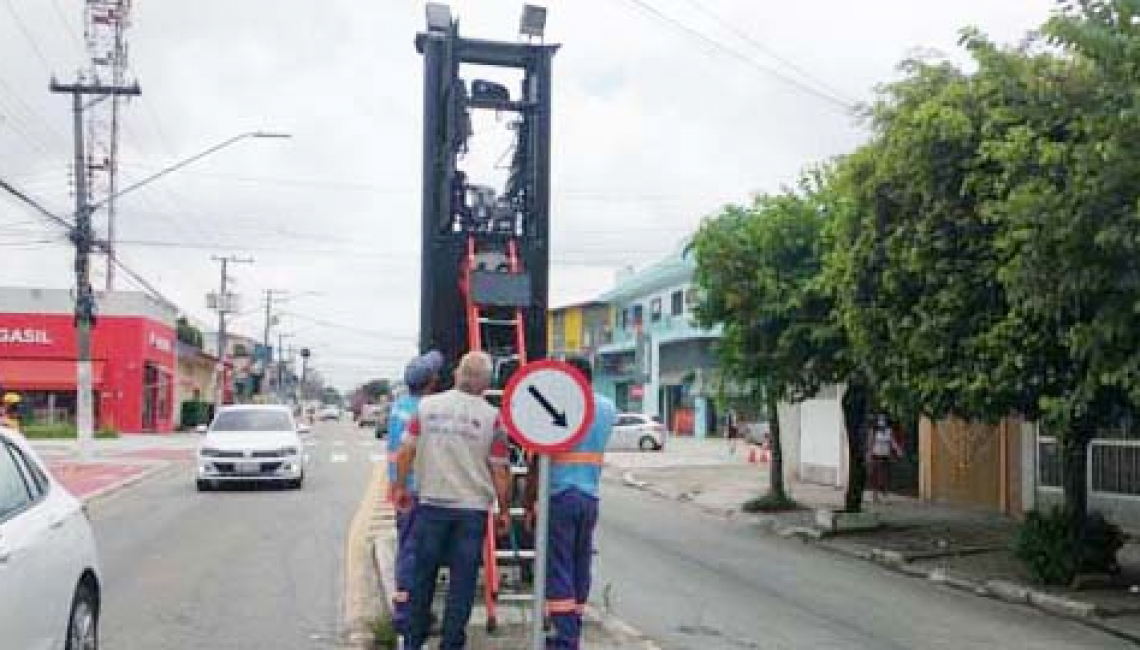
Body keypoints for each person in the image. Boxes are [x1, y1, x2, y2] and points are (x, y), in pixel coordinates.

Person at [394, 351, 511, 650]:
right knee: (463, 583)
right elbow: (500, 468)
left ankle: (413, 641)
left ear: (458, 375)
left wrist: (400, 488)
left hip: (431, 504)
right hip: (471, 512)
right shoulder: (492, 417)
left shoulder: (427, 407)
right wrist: (504, 509)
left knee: (423, 578)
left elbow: (406, 451)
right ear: (486, 383)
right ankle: (451, 643)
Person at [537, 355, 616, 650]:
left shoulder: (561, 405)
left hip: (560, 495)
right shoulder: (608, 408)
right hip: (589, 497)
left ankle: (565, 639)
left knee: (559, 568)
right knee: (580, 564)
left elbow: (540, 453)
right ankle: (574, 627)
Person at [386, 350, 443, 633]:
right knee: (414, 552)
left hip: (400, 488)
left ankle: (408, 608)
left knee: (407, 548)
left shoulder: (399, 406)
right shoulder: (426, 411)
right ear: (432, 382)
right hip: (416, 490)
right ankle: (408, 615)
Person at [867, 413, 902, 503]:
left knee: (885, 477)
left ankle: (885, 497)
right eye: (880, 419)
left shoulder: (889, 431)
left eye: (883, 419)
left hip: (885, 456)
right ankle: (875, 497)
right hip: (876, 455)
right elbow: (870, 443)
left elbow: (892, 441)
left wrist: (898, 450)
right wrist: (869, 455)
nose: (882, 421)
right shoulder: (874, 431)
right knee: (875, 477)